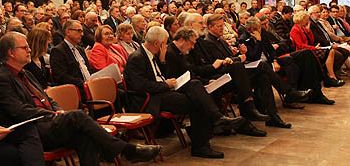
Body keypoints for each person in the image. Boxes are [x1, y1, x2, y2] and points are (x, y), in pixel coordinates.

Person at [0, 31, 161, 165]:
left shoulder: (25, 73)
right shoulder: (4, 77)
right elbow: (17, 110)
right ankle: (127, 150)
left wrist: (57, 109)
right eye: (24, 47)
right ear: (11, 52)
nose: (29, 50)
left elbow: (47, 98)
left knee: (85, 136)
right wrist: (51, 114)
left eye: (28, 46)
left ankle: (124, 151)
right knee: (77, 116)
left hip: (50, 121)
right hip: (34, 128)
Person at [124, 26, 241, 159]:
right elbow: (139, 85)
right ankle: (204, 141)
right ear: (157, 43)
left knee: (195, 85)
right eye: (164, 43)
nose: (166, 46)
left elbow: (158, 74)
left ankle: (215, 123)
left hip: (162, 91)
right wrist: (165, 85)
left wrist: (162, 62)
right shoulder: (137, 57)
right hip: (150, 98)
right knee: (197, 102)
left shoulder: (152, 54)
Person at [290, 11, 344, 87]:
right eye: (306, 19)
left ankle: (330, 76)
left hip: (309, 49)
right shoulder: (295, 29)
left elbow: (311, 40)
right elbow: (300, 45)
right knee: (329, 51)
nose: (308, 21)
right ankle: (330, 77)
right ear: (302, 19)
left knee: (331, 50)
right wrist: (314, 48)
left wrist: (308, 31)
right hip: (303, 52)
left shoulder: (303, 28)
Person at [50, 20, 94, 99]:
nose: (82, 34)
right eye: (79, 31)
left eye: (82, 31)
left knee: (112, 90)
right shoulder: (58, 51)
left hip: (89, 85)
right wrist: (83, 83)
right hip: (75, 90)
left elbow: (88, 69)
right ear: (68, 32)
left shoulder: (80, 49)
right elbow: (61, 77)